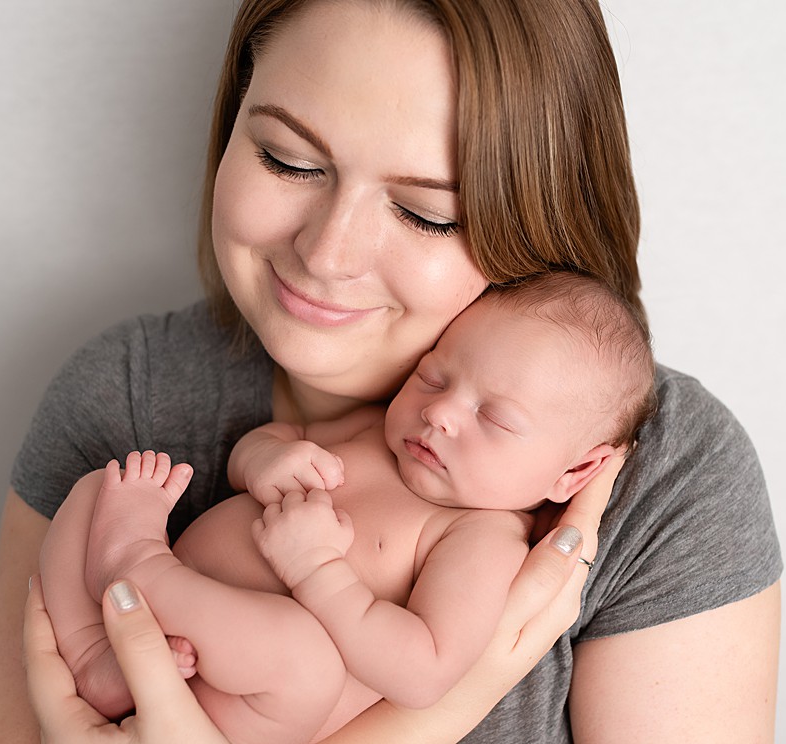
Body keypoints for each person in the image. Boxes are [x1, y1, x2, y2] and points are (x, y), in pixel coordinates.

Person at [0, 0, 783, 742]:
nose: (326, 254)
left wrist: (441, 696)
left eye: (426, 212)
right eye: (286, 160)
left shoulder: (668, 474)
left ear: (531, 220)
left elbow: (415, 658)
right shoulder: (128, 391)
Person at [40, 275, 656, 744]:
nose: (438, 412)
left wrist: (317, 572)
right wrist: (265, 459)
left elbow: (425, 674)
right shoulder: (376, 429)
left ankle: (138, 564)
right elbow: (270, 441)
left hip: (246, 702)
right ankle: (94, 649)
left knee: (302, 654)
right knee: (104, 485)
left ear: (574, 472)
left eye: (493, 418)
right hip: (165, 631)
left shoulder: (480, 538)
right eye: (434, 378)